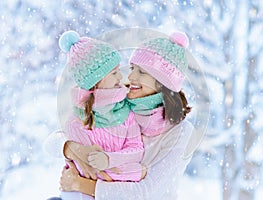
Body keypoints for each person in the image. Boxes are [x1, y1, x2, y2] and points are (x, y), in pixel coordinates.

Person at [57, 31, 194, 200]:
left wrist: (79, 184)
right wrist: (70, 148)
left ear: (162, 83)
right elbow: (56, 140)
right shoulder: (123, 107)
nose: (130, 77)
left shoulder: (181, 133)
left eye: (142, 72)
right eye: (132, 68)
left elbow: (145, 193)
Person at [57, 30, 147, 200]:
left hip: (108, 186)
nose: (121, 77)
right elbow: (86, 169)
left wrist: (109, 160)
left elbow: (136, 150)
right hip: (82, 194)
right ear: (95, 81)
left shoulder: (125, 111)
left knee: (137, 170)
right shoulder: (77, 120)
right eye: (114, 73)